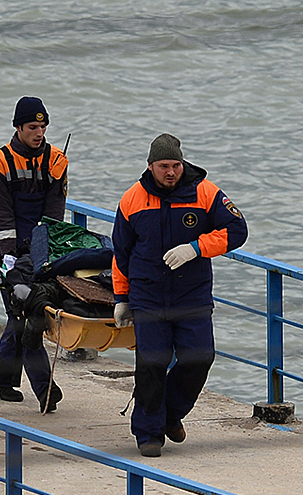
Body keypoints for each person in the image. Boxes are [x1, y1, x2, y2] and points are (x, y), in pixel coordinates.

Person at [111, 133, 248, 456]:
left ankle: (171, 414)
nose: (170, 172)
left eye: (175, 165)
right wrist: (121, 298)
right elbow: (121, 253)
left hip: (192, 294)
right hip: (148, 294)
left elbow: (237, 231)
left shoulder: (206, 193)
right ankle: (148, 432)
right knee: (151, 364)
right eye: (163, 166)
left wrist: (196, 247)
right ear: (150, 166)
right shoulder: (132, 199)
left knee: (199, 358)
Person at [0, 96, 66, 414]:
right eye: (33, 127)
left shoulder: (57, 161)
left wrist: (42, 256)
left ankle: (0, 379)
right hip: (8, 247)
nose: (39, 133)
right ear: (18, 127)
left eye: (43, 127)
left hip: (40, 245)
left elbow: (54, 214)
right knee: (25, 314)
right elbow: (2, 216)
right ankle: (45, 390)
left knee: (23, 313)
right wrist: (9, 257)